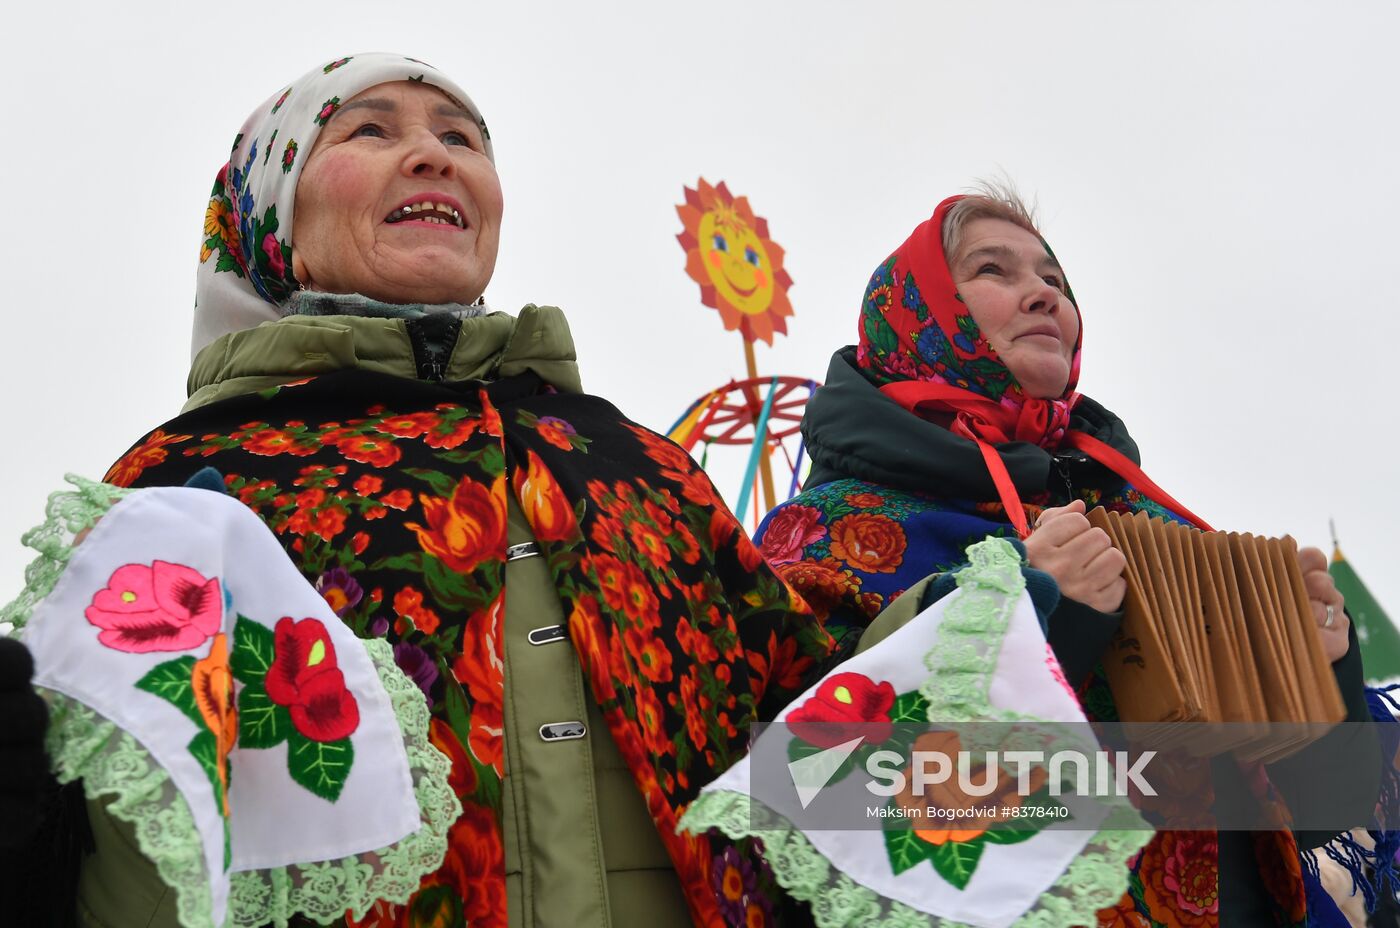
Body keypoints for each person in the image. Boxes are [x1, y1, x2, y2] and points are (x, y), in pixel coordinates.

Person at [4, 52, 840, 928]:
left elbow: (822, 767)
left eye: (461, 138)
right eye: (370, 128)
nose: (435, 155)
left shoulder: (640, 469)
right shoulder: (186, 492)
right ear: (272, 210)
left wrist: (967, 665)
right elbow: (87, 844)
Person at [755, 187, 1383, 926]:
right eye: (995, 271)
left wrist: (1319, 673)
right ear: (920, 318)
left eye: (1054, 281)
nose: (1041, 297)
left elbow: (1315, 814)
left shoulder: (1147, 521)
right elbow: (812, 806)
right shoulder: (827, 535)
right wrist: (1035, 620)